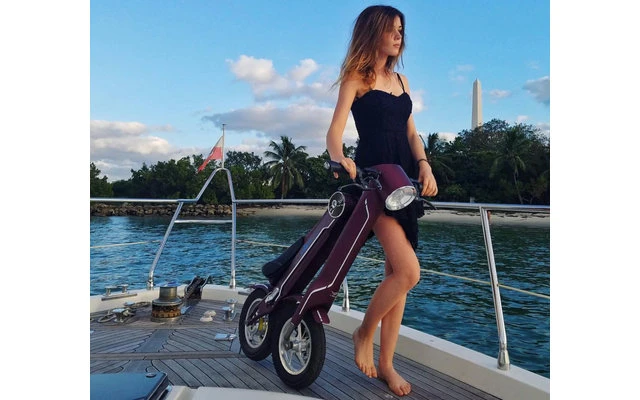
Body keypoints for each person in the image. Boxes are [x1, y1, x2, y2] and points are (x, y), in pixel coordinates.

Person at [325, 5, 438, 397]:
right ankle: (363, 332)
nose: (399, 36)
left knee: (397, 277)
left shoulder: (402, 81)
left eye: (401, 30)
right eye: (392, 29)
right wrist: (340, 158)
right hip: (375, 184)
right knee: (408, 272)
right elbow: (334, 132)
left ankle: (387, 364)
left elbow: (411, 134)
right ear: (373, 32)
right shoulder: (356, 78)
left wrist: (425, 165)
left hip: (406, 183)